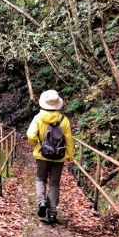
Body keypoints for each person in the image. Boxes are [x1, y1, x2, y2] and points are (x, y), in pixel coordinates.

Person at [26, 90, 74, 224]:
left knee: (40, 179)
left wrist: (35, 144)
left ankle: (41, 202)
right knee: (54, 183)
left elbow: (30, 135)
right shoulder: (64, 120)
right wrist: (70, 155)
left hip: (42, 154)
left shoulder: (39, 118)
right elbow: (69, 139)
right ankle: (52, 213)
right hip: (59, 157)